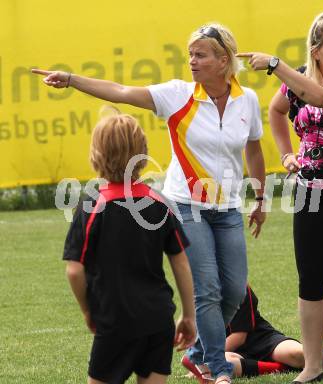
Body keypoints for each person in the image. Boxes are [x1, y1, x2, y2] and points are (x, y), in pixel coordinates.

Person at [35, 23, 266, 384]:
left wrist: (262, 197)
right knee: (208, 288)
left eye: (200, 54)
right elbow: (121, 91)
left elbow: (253, 147)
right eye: (190, 53)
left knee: (235, 290)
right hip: (185, 204)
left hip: (228, 208)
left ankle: (198, 352)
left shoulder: (247, 100)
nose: (191, 61)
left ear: (224, 61)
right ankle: (218, 370)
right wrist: (71, 79)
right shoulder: (177, 95)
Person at [237, 12, 323, 383]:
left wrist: (274, 64)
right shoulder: (298, 80)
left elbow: (322, 97)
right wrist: (286, 154)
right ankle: (312, 366)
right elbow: (277, 109)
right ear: (316, 52)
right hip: (310, 193)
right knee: (310, 281)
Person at [63, 111, 196, 384]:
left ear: (96, 153)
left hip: (115, 320)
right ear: (143, 152)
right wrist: (189, 315)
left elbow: (75, 271)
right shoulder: (159, 202)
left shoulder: (92, 204)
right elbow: (180, 261)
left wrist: (88, 311)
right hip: (159, 319)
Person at [183, 285, 323, 382]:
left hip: (264, 341)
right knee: (223, 364)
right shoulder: (199, 295)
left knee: (296, 353)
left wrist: (208, 357)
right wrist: (202, 362)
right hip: (231, 352)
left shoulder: (239, 289)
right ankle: (281, 367)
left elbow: (239, 337)